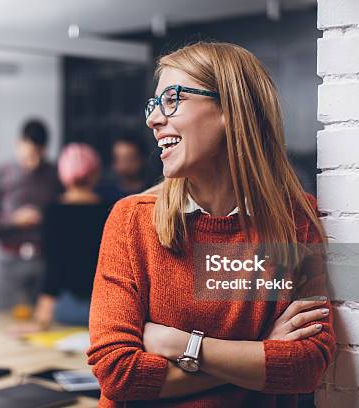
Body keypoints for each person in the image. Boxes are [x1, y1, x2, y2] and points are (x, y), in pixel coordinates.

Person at [87, 42, 335, 407]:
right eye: (154, 105)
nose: (153, 119)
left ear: (231, 110)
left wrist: (182, 346)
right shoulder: (131, 220)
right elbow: (118, 372)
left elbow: (307, 366)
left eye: (171, 99)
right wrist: (260, 354)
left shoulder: (296, 221)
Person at [16, 143, 110, 333]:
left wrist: (42, 317)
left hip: (66, 307)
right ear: (95, 172)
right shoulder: (111, 210)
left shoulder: (53, 212)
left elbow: (53, 266)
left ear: (63, 173)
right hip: (105, 306)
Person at [0, 119, 63, 311]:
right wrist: (13, 220)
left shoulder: (54, 173)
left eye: (39, 154)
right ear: (19, 144)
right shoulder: (1, 173)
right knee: (5, 319)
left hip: (44, 259)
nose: (34, 161)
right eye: (30, 153)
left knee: (43, 322)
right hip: (9, 260)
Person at [96, 135, 151, 203]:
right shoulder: (104, 195)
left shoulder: (152, 193)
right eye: (118, 159)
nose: (123, 165)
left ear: (142, 159)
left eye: (129, 159)